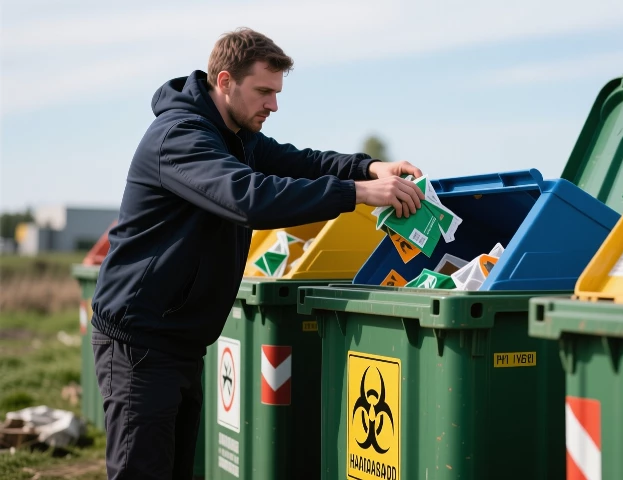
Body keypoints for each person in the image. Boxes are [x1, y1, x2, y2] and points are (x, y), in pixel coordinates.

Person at [89, 27, 425, 479]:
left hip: (178, 341)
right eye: (264, 91)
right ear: (225, 82)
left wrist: (367, 165)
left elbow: (298, 161)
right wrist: (360, 192)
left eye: (277, 92)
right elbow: (251, 197)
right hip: (140, 344)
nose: (273, 104)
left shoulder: (234, 135)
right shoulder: (181, 138)